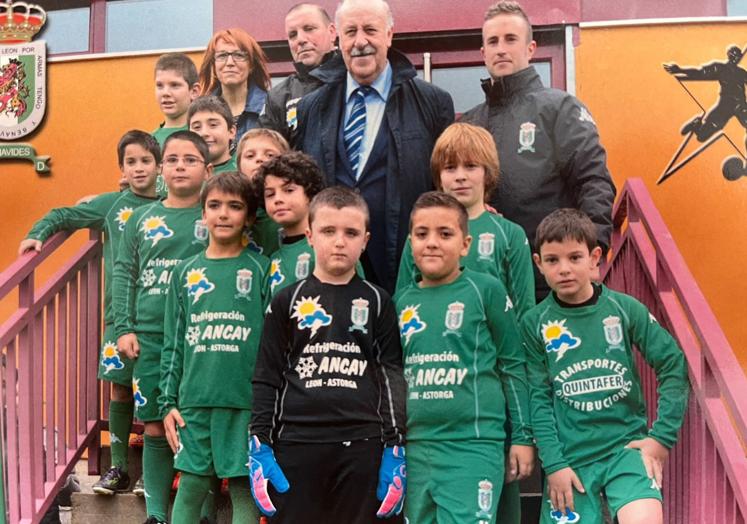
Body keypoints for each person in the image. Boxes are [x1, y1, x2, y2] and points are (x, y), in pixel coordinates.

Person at [249, 187, 407, 523]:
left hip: (363, 444)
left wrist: (395, 446)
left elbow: (391, 374)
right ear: (309, 236)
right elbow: (267, 375)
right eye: (328, 231)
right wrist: (259, 443)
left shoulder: (378, 302)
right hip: (296, 443)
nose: (339, 241)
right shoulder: (286, 301)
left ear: (365, 240)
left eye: (350, 233)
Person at [523, 208, 689, 524]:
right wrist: (554, 465)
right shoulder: (535, 323)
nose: (564, 269)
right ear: (538, 264)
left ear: (594, 257)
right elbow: (539, 401)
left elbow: (672, 364)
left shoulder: (624, 309)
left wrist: (661, 439)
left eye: (575, 257)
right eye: (553, 260)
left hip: (624, 451)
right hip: (571, 460)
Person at [19, 130, 161, 495]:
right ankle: (117, 468)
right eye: (131, 162)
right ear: (121, 168)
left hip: (160, 318)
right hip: (119, 315)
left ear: (159, 166)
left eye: (146, 160)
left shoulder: (171, 206)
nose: (139, 168)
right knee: (119, 387)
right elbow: (67, 214)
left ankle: (152, 470)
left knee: (154, 393)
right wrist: (39, 231)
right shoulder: (112, 205)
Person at [460, 1, 616, 302]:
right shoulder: (470, 122)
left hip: (548, 282)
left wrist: (590, 252)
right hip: (482, 282)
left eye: (510, 39)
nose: (501, 49)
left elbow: (593, 182)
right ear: (483, 53)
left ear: (531, 48)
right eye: (492, 42)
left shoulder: (560, 108)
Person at [295, 0, 454, 292]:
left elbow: (448, 181)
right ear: (337, 39)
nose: (360, 42)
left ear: (389, 35)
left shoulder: (433, 102)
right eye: (351, 32)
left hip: (406, 269)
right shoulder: (310, 108)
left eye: (370, 30)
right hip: (333, 271)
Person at [394, 191, 533, 523]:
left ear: (466, 244)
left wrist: (523, 437)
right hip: (416, 448)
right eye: (422, 234)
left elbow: (512, 365)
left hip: (472, 444)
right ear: (410, 242)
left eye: (445, 234)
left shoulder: (485, 290)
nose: (432, 243)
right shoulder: (399, 303)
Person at [113, 131, 211, 524]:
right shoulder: (141, 218)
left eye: (190, 159)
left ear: (208, 168)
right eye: (172, 159)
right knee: (154, 424)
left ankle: (202, 513)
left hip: (200, 336)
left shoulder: (216, 213)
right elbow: (124, 274)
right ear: (160, 169)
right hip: (150, 335)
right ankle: (156, 514)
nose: (180, 166)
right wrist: (124, 327)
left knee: (195, 426)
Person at [159, 172, 269, 524]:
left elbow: (272, 344)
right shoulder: (185, 273)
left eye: (234, 207)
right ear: (202, 214)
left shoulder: (260, 269)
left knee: (241, 487)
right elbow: (173, 343)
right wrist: (167, 402)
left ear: (249, 217)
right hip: (194, 401)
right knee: (191, 487)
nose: (223, 214)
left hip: (243, 402)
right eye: (215, 206)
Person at [396, 122, 535, 319]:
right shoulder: (421, 235)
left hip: (491, 348)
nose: (460, 176)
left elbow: (524, 311)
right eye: (450, 168)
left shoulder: (510, 234)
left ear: (487, 173)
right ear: (439, 176)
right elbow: (402, 302)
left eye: (470, 166)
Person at [259, 3, 341, 145]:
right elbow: (267, 152)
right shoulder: (278, 97)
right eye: (293, 35)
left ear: (332, 32)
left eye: (309, 29)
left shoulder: (354, 77)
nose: (301, 39)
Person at [255, 152, 324, 297]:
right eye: (270, 194)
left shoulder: (327, 249)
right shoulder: (273, 258)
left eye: (289, 190)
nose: (278, 199)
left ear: (310, 195)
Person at [199, 29, 270, 144]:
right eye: (222, 56)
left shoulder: (270, 107)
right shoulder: (200, 111)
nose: (230, 62)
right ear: (213, 65)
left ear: (251, 65)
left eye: (238, 55)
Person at [236, 128, 290, 256]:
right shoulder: (233, 205)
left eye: (270, 155)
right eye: (250, 156)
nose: (259, 159)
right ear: (238, 166)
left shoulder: (291, 205)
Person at [152, 53, 200, 148]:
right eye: (160, 86)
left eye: (174, 85)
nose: (165, 93)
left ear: (194, 91)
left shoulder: (204, 135)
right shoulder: (149, 142)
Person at [188, 95, 238, 174]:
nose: (204, 133)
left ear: (231, 132)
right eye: (197, 127)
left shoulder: (244, 172)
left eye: (213, 125)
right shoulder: (182, 174)